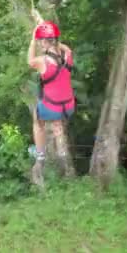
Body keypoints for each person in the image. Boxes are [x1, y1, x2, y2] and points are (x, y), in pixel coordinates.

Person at [27, 20, 75, 185]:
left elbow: (29, 60)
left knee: (38, 121)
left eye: (41, 41)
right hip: (67, 106)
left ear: (44, 41)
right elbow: (64, 47)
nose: (40, 44)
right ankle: (62, 155)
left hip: (51, 105)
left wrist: (33, 39)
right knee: (57, 125)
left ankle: (40, 156)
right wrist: (52, 38)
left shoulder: (43, 61)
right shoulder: (68, 55)